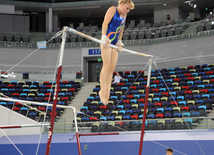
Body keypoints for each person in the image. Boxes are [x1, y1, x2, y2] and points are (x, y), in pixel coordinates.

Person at [99, 0, 134, 105]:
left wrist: (119, 41)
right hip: (107, 41)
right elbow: (105, 23)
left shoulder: (124, 15)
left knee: (111, 69)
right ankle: (102, 91)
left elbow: (121, 28)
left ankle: (107, 91)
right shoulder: (112, 10)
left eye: (129, 10)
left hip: (114, 44)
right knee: (106, 66)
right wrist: (104, 37)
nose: (127, 11)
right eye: (127, 8)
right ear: (121, 4)